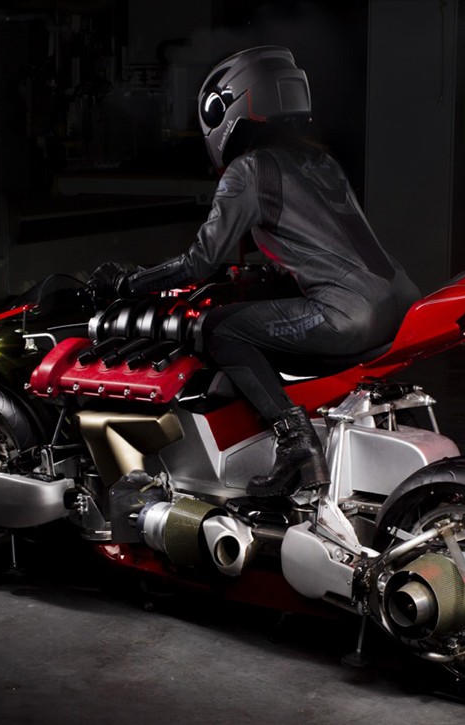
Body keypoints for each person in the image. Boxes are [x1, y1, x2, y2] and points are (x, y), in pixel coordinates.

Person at [100, 46, 420, 498]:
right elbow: (325, 244)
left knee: (219, 328)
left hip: (348, 315)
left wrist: (127, 282)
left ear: (229, 107)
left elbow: (199, 262)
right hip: (400, 302)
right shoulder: (321, 161)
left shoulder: (248, 170)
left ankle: (295, 443)